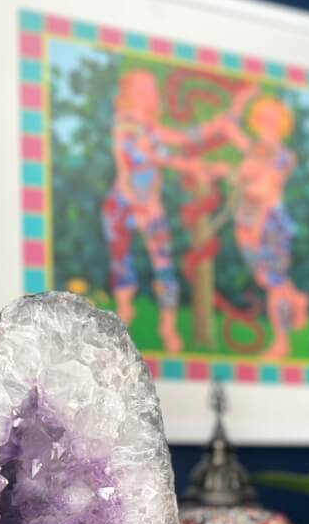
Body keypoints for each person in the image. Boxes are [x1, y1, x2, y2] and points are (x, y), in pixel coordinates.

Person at [102, 70, 248, 352]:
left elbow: (184, 137)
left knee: (164, 266)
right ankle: (123, 319)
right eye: (142, 90)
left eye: (150, 90)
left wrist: (224, 120)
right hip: (123, 204)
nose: (149, 96)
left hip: (150, 205)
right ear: (128, 95)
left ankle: (167, 328)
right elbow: (150, 154)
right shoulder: (126, 123)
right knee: (123, 266)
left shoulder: (151, 127)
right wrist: (195, 166)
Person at [222, 93, 309, 359]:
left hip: (269, 223)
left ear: (281, 124)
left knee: (273, 282)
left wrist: (239, 179)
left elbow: (265, 189)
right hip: (246, 221)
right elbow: (229, 128)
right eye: (261, 118)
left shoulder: (283, 156)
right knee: (265, 278)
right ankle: (296, 298)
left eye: (272, 119)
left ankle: (282, 342)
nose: (266, 124)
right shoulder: (253, 148)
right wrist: (240, 100)